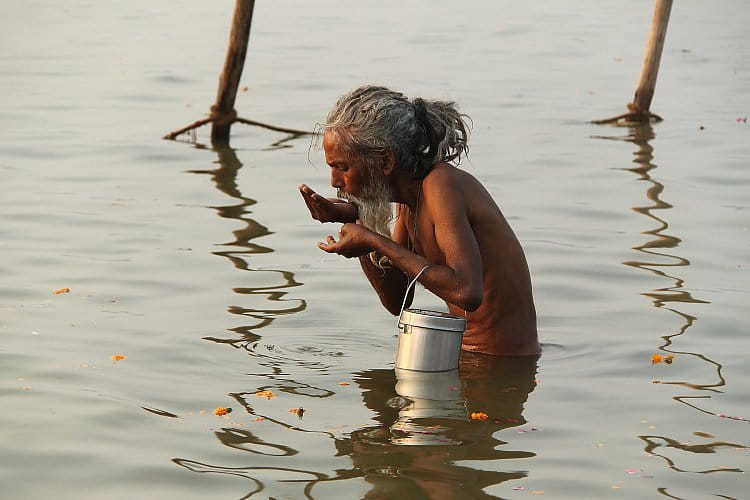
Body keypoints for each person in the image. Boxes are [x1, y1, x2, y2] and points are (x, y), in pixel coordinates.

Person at [299, 85, 539, 356]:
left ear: (385, 160)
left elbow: (467, 292)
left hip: (504, 365)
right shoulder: (408, 205)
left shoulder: (441, 184)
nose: (334, 182)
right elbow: (399, 300)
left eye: (343, 168)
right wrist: (359, 223)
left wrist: (374, 240)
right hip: (463, 356)